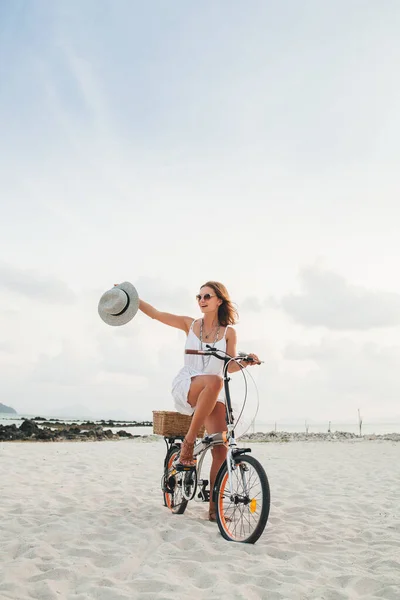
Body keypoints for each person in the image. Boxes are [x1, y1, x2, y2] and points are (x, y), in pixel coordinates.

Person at [138, 280, 260, 521]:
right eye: (199, 296)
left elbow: (230, 365)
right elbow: (156, 315)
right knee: (214, 381)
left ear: (219, 301)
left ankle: (214, 510)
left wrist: (246, 362)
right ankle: (188, 443)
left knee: (221, 449)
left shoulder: (228, 333)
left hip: (215, 394)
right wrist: (132, 298)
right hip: (190, 384)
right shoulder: (189, 324)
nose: (202, 300)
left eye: (207, 296)